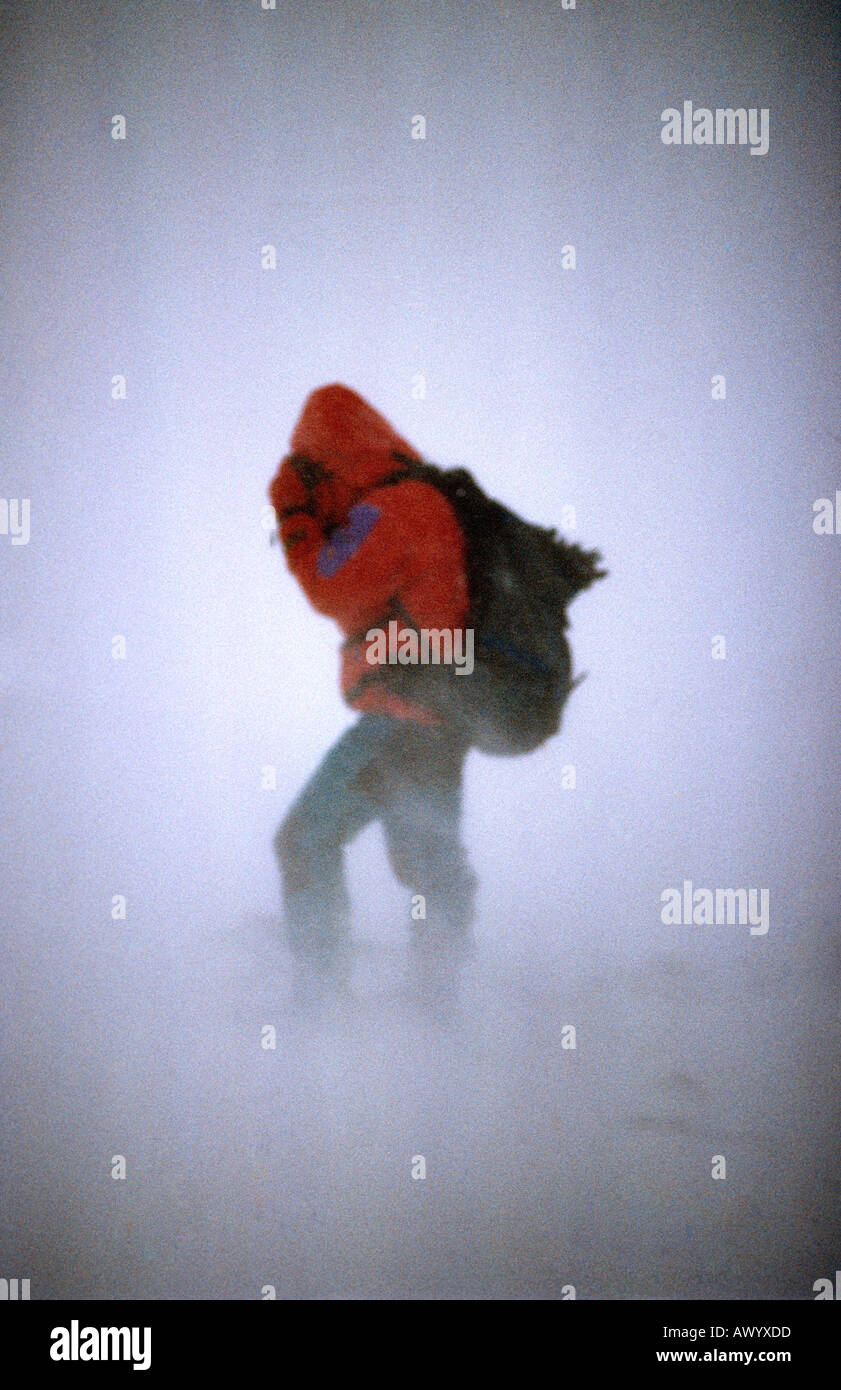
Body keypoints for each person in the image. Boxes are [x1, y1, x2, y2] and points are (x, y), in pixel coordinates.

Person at [269, 384, 477, 1006]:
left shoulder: (392, 508)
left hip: (402, 721)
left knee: (304, 842)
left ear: (330, 455)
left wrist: (293, 513)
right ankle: (439, 1017)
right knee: (427, 865)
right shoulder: (417, 500)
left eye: (312, 472)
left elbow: (331, 589)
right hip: (441, 719)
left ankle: (321, 1005)